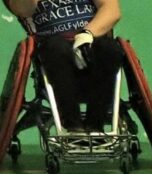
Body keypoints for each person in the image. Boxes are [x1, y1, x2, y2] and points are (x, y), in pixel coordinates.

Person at [6, 0, 121, 131]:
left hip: (91, 43)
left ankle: (95, 126)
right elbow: (24, 10)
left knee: (109, 49)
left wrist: (87, 33)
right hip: (53, 53)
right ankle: (73, 126)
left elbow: (112, 10)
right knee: (56, 47)